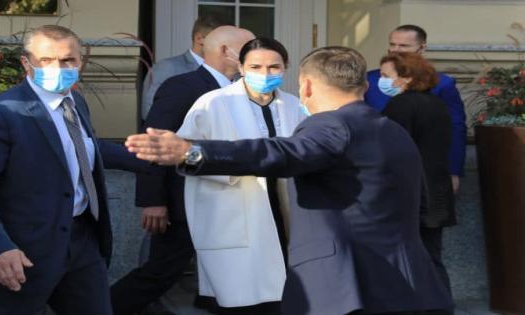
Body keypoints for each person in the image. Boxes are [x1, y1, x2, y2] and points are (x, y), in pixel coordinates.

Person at [126, 46, 454, 315]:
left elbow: (282, 153)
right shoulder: (392, 129)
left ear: (306, 85)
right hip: (407, 281)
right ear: (365, 87)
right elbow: (420, 200)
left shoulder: (329, 126)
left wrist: (192, 152)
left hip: (343, 287)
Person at [0, 25, 151, 315]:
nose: (58, 68)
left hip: (81, 242)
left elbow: (82, 147)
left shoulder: (76, 102)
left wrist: (151, 156)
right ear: (27, 64)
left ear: (81, 62)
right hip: (20, 252)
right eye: (46, 61)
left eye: (67, 60)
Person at [110, 25, 255, 315]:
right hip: (184, 199)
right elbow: (153, 141)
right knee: (162, 271)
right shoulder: (183, 86)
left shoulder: (242, 90)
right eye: (249, 47)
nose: (255, 53)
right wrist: (153, 200)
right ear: (226, 51)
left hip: (227, 200)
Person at [175, 37, 305, 314]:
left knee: (283, 293)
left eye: (274, 67)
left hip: (283, 207)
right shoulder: (212, 103)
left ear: (286, 67)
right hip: (234, 207)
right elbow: (184, 155)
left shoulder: (294, 105)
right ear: (241, 67)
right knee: (240, 296)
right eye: (256, 66)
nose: (265, 74)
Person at [379, 52, 455, 313]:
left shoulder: (400, 106)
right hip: (436, 192)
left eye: (386, 76)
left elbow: (388, 152)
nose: (381, 80)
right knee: (433, 258)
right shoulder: (436, 104)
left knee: (409, 260)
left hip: (411, 194)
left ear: (407, 78)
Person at [364, 24, 466, 195]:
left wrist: (453, 170)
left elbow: (455, 128)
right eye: (392, 44)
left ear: (422, 48)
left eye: (404, 46)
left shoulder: (442, 83)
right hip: (376, 166)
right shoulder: (370, 79)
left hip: (424, 169)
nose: (395, 50)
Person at [140, 15, 224, 121]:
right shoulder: (168, 67)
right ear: (200, 39)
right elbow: (150, 112)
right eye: (220, 40)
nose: (225, 46)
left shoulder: (230, 71)